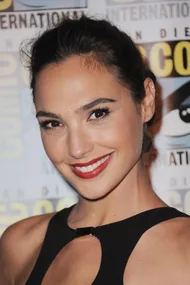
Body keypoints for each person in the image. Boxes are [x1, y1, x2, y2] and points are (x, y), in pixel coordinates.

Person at [0, 15, 190, 285]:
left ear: (146, 100)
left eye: (97, 113)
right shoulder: (19, 246)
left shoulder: (185, 256)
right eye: (53, 123)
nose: (76, 149)